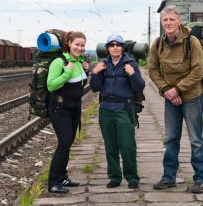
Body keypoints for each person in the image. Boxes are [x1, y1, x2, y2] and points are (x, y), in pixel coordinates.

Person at [148, 5, 203, 193]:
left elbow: (198, 71)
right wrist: (166, 90)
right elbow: (152, 70)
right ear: (161, 22)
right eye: (165, 20)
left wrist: (177, 90)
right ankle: (168, 177)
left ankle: (199, 179)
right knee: (171, 138)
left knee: (195, 139)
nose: (168, 23)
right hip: (170, 97)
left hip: (191, 96)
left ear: (179, 21)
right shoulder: (158, 43)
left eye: (171, 19)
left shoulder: (193, 41)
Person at [90, 34, 145, 189]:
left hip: (124, 109)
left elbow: (139, 87)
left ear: (122, 48)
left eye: (118, 44)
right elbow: (95, 88)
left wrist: (132, 74)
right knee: (110, 146)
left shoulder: (131, 64)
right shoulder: (103, 65)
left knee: (127, 145)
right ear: (107, 48)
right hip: (106, 110)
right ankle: (114, 177)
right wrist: (95, 73)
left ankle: (132, 177)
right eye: (112, 44)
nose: (115, 47)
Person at [47, 31, 89, 194]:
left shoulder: (79, 61)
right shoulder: (59, 62)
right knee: (64, 143)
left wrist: (87, 70)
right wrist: (66, 72)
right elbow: (51, 85)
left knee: (68, 143)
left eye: (82, 45)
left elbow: (78, 84)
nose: (79, 48)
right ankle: (53, 183)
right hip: (60, 109)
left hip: (74, 109)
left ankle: (63, 177)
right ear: (69, 43)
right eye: (77, 44)